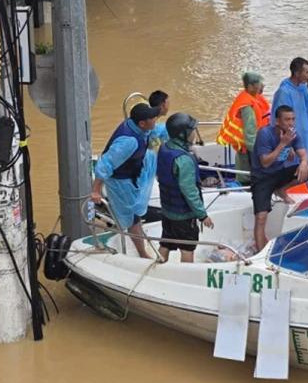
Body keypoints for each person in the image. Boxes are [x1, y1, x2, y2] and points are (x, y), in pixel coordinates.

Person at [90, 103, 161, 256]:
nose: (155, 119)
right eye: (152, 118)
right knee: (133, 219)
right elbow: (105, 164)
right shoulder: (129, 142)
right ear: (142, 123)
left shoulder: (139, 127)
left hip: (134, 171)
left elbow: (157, 130)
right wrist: (96, 190)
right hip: (120, 182)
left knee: (135, 214)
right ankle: (142, 253)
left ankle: (136, 234)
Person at [250, 105, 308, 252]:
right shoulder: (264, 134)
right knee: (261, 217)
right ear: (277, 121)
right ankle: (259, 252)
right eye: (287, 120)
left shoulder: (294, 134)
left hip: (279, 173)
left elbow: (304, 155)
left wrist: (303, 163)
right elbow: (265, 162)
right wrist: (283, 144)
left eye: (293, 119)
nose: (291, 123)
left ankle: (281, 189)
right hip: (262, 178)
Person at [156, 113, 213, 262]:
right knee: (187, 248)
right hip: (183, 216)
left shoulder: (164, 148)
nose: (194, 133)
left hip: (168, 211)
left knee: (166, 242)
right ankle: (186, 275)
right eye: (192, 130)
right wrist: (202, 215)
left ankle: (158, 269)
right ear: (183, 134)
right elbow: (190, 192)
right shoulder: (184, 159)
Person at [217, 71, 271, 180]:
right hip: (247, 151)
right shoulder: (247, 108)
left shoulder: (253, 97)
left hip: (251, 146)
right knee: (246, 177)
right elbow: (250, 136)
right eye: (260, 84)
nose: (263, 86)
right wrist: (261, 154)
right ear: (251, 87)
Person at [271, 57, 308, 170]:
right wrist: (288, 144)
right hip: (291, 138)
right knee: (293, 168)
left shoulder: (304, 88)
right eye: (306, 72)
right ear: (297, 73)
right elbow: (279, 121)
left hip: (306, 134)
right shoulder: (284, 92)